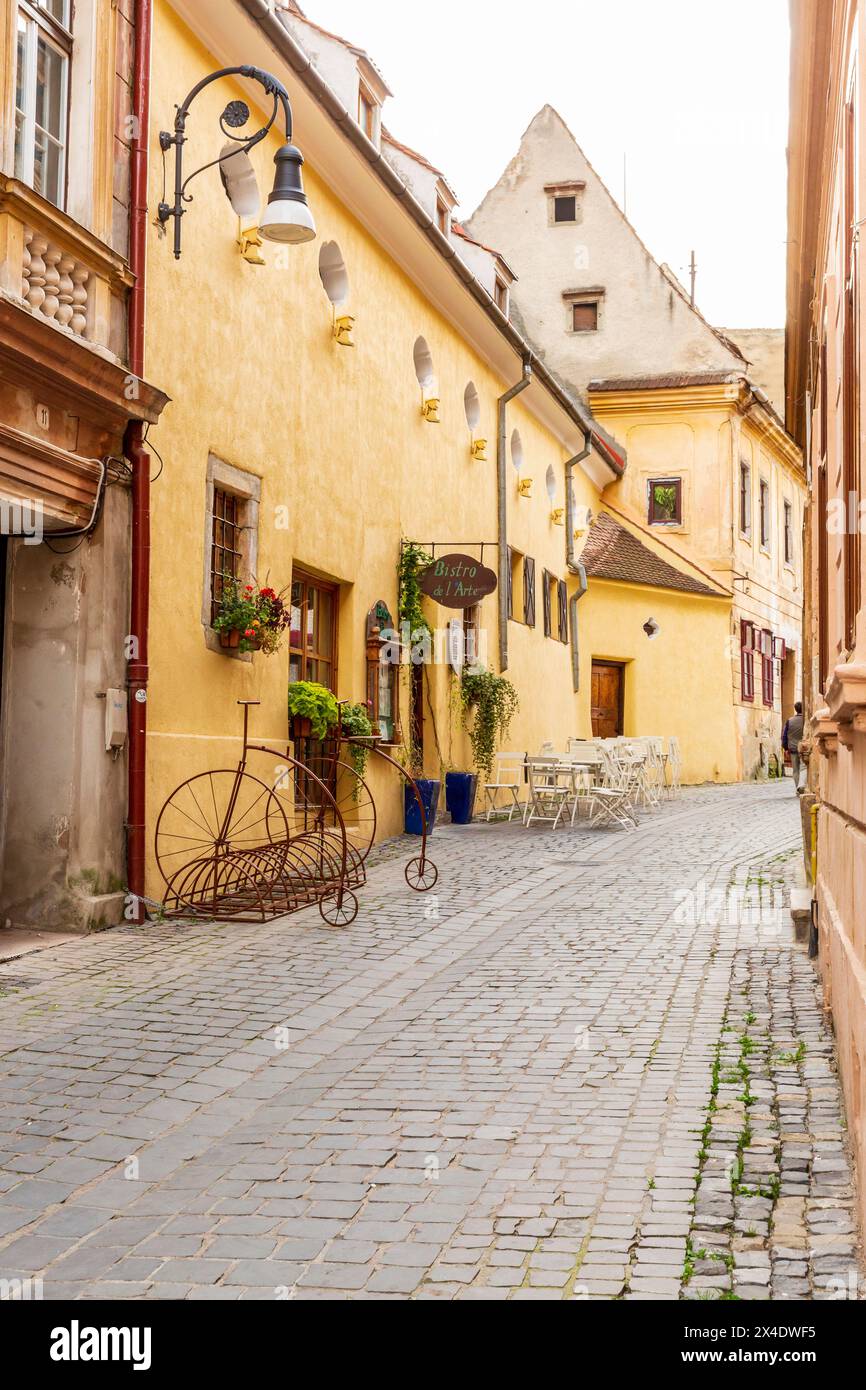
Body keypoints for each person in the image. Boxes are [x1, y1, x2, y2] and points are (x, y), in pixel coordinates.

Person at [782, 701, 805, 794]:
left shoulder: (789, 721)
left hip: (793, 748)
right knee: (803, 767)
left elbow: (784, 735)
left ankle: (797, 788)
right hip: (804, 747)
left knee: (795, 770)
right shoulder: (805, 720)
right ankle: (802, 785)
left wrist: (785, 748)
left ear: (795, 709)